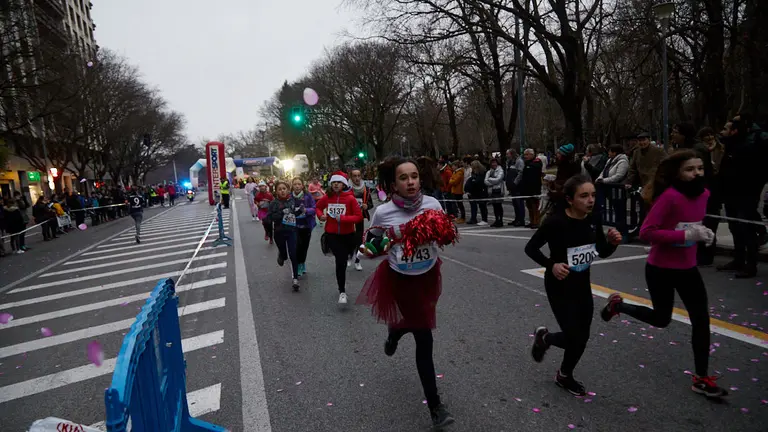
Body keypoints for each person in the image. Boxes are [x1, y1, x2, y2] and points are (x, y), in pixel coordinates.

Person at [600, 150, 728, 398]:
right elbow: (648, 232)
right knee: (661, 319)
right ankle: (619, 306)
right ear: (677, 173)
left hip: (688, 268)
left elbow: (692, 223)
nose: (697, 173)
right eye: (690, 169)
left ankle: (701, 377)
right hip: (661, 269)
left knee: (701, 319)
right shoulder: (669, 197)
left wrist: (703, 234)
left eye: (700, 168)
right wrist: (686, 235)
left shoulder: (704, 194)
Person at [356, 156, 455, 429]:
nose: (410, 182)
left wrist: (441, 233)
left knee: (412, 325)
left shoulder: (433, 205)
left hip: (428, 275)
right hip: (400, 278)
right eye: (403, 178)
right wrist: (371, 250)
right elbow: (371, 246)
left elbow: (445, 234)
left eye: (414, 176)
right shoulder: (384, 213)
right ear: (394, 184)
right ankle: (436, 406)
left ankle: (394, 332)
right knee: (424, 337)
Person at [525, 175, 622, 395]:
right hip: (559, 285)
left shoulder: (593, 217)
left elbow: (600, 251)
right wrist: (552, 265)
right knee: (574, 337)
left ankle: (564, 375)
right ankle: (545, 338)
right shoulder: (555, 222)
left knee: (582, 338)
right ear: (570, 199)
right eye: (584, 196)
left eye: (593, 195)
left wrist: (612, 244)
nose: (590, 200)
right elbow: (530, 248)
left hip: (581, 285)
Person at [316, 171, 363, 304]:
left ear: (343, 184)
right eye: (334, 183)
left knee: (345, 256)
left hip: (348, 235)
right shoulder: (327, 197)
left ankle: (349, 257)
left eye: (339, 183)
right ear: (331, 185)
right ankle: (342, 291)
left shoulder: (350, 199)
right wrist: (321, 216)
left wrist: (342, 219)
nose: (336, 185)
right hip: (332, 235)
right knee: (340, 261)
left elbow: (358, 217)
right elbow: (318, 207)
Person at [267, 180, 304, 291]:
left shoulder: (292, 201)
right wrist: (282, 213)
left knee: (293, 255)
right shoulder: (273, 203)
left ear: (288, 190)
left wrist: (300, 211)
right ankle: (282, 255)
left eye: (284, 189)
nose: (282, 191)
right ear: (276, 191)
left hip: (291, 231)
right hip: (279, 232)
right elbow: (269, 218)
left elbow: (294, 214)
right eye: (280, 189)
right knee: (285, 255)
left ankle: (295, 279)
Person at [349, 168, 374, 271]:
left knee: (359, 239)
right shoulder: (347, 189)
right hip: (349, 218)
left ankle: (357, 261)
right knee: (350, 238)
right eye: (354, 176)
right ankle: (350, 255)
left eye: (359, 175)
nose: (357, 178)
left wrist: (366, 206)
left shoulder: (366, 189)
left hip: (360, 217)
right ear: (351, 177)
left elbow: (371, 204)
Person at [292, 177, 316, 276]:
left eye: (299, 184)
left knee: (304, 247)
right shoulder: (290, 197)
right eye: (295, 184)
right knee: (297, 246)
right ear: (292, 186)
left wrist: (306, 211)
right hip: (294, 226)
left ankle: (302, 263)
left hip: (306, 226)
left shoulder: (308, 196)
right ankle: (298, 265)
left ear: (302, 185)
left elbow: (314, 208)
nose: (297, 186)